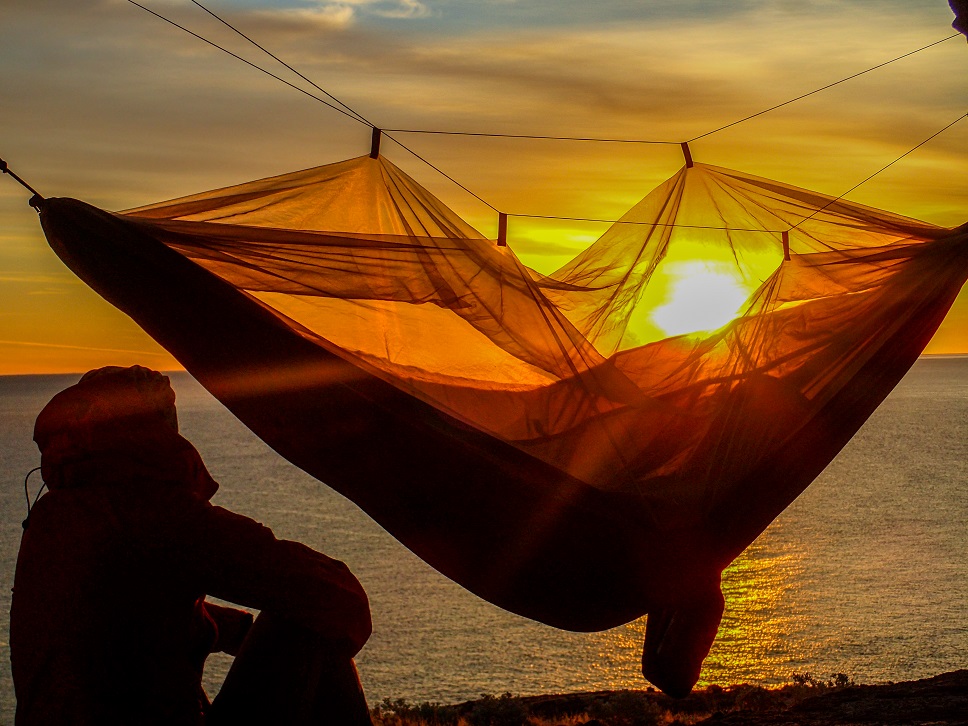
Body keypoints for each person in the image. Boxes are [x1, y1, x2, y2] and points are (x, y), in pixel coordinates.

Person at [10, 365, 374, 725]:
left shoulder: (50, 517)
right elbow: (337, 597)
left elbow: (125, 613)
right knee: (312, 620)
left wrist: (239, 632)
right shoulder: (157, 514)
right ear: (153, 430)